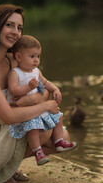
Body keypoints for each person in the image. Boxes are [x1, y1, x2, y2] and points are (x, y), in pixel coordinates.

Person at [0, 4, 71, 183]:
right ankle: (0, 173)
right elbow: (9, 117)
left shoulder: (13, 59)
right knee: (43, 130)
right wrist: (44, 103)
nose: (15, 32)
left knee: (61, 137)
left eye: (19, 28)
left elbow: (42, 88)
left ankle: (8, 165)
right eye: (9, 25)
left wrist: (32, 100)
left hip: (0, 129)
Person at [8, 35, 77, 166]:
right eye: (32, 56)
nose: (36, 60)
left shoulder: (36, 71)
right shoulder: (15, 73)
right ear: (18, 57)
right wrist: (28, 87)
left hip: (39, 107)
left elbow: (45, 82)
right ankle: (37, 151)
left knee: (58, 115)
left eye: (38, 56)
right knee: (33, 128)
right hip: (27, 112)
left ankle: (59, 141)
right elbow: (13, 90)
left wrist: (55, 89)